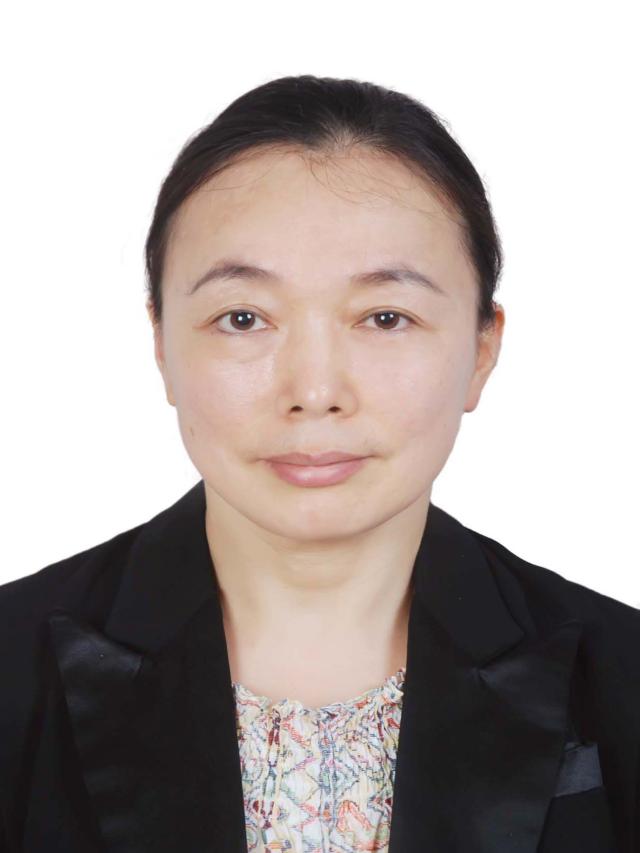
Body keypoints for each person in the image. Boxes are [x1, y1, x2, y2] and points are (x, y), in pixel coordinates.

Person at [0, 75, 638, 853]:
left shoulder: (623, 675)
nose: (313, 391)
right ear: (161, 343)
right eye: (243, 317)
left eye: (385, 317)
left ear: (481, 350)